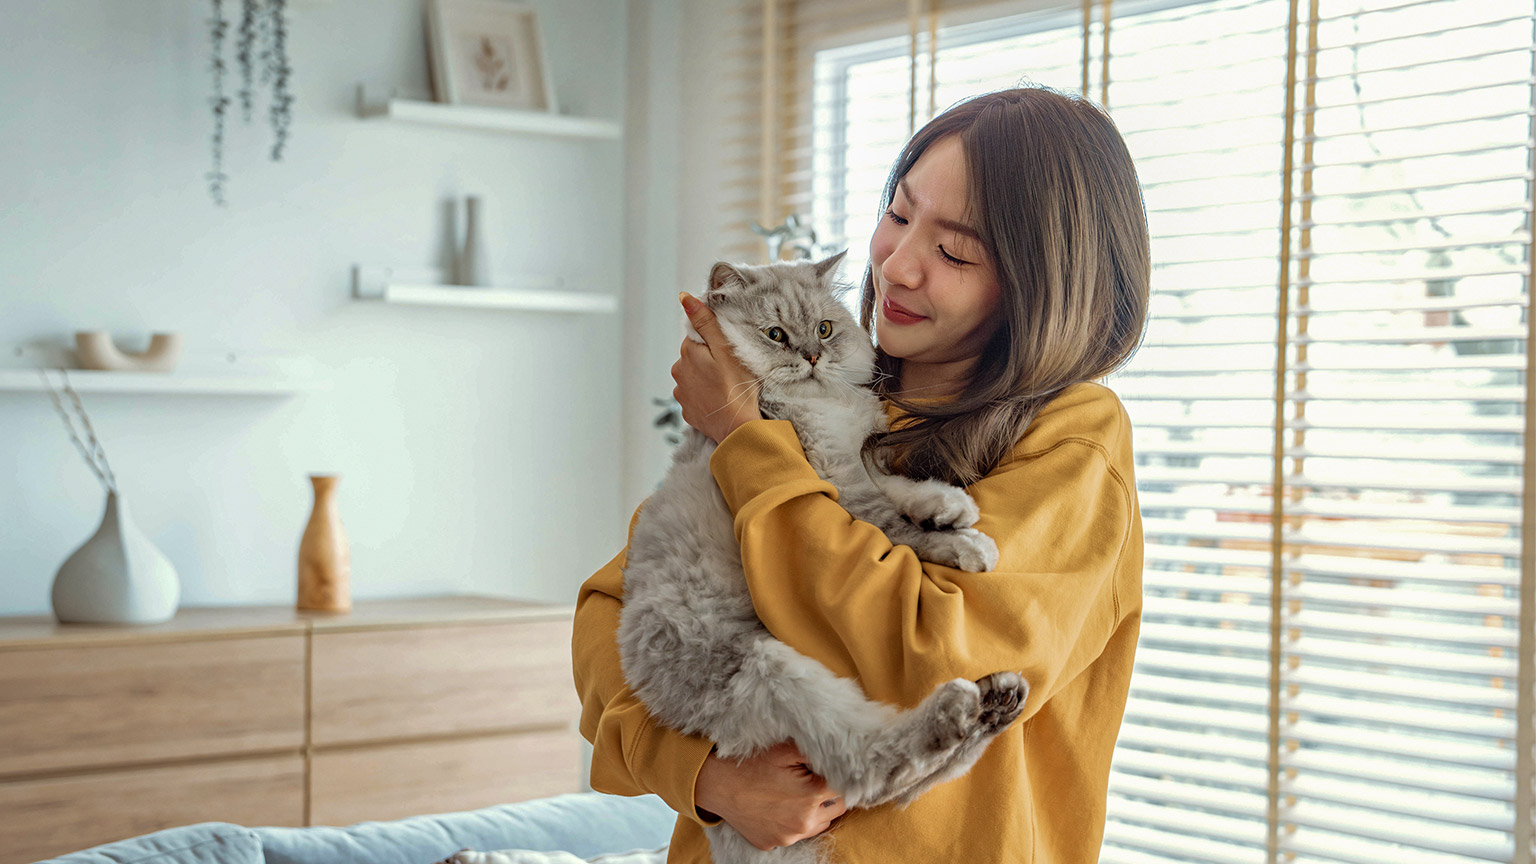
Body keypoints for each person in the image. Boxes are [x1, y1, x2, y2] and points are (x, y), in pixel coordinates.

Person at [573, 86, 1150, 863]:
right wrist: (707, 777)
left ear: (1040, 282)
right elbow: (612, 613)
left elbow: (934, 658)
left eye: (954, 251)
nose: (899, 266)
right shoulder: (824, 391)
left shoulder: (1072, 437)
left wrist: (745, 438)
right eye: (899, 215)